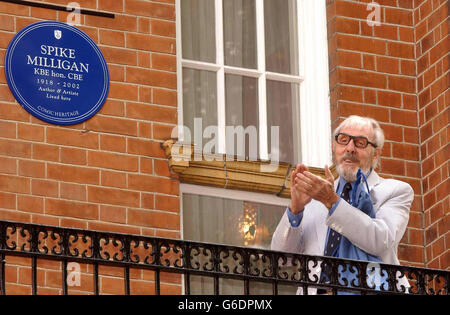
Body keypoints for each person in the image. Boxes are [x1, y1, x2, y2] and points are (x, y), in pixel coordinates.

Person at [271, 115, 414, 294]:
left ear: (375, 153)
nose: (350, 148)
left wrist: (332, 202)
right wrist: (296, 209)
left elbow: (380, 241)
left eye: (360, 143)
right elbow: (281, 260)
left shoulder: (396, 190)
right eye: (343, 140)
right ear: (334, 146)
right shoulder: (316, 195)